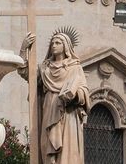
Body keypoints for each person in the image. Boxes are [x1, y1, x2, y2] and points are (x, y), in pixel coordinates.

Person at [30, 29, 92, 164]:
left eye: (58, 43)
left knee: (68, 149)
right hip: (49, 108)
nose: (54, 45)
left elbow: (84, 91)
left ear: (66, 46)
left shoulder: (75, 68)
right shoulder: (45, 68)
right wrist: (24, 50)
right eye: (52, 43)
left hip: (68, 112)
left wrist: (74, 95)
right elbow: (28, 75)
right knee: (47, 142)